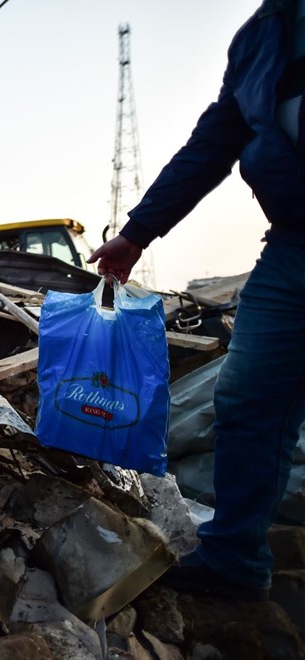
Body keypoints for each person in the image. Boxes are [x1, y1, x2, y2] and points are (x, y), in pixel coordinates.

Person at [89, 0, 305, 601]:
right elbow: (214, 143)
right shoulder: (264, 35)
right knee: (248, 396)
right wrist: (139, 231)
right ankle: (236, 558)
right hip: (294, 248)